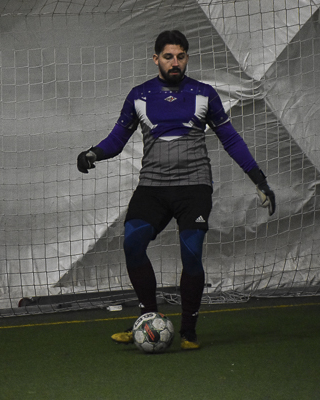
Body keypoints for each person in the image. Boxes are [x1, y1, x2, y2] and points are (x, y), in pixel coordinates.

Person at [77, 30, 275, 350]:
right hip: (152, 187)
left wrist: (259, 180)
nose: (175, 62)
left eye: (180, 57)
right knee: (132, 244)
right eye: (168, 57)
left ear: (187, 58)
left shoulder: (204, 94)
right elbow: (117, 140)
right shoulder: (139, 95)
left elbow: (231, 140)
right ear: (156, 59)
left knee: (191, 253)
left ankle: (188, 331)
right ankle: (148, 319)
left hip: (194, 188)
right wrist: (93, 154)